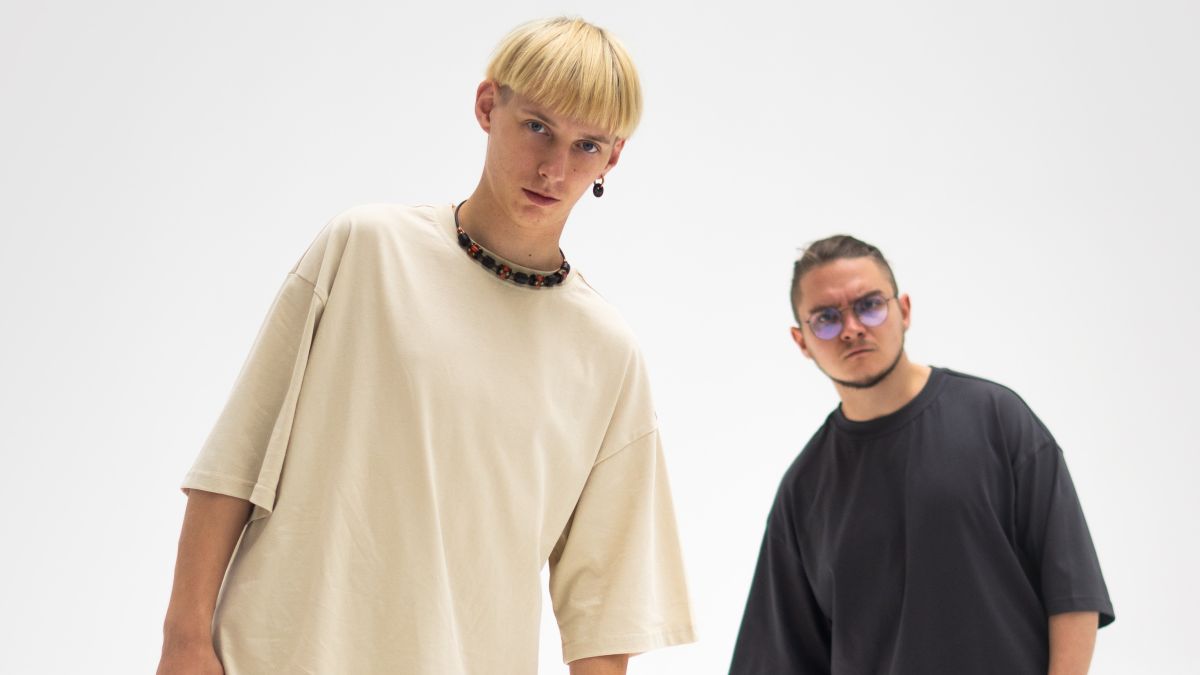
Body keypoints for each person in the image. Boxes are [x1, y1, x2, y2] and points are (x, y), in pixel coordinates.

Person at [157, 17, 695, 675]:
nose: (554, 168)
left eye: (585, 145)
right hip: (275, 655)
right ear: (488, 106)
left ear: (612, 158)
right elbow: (237, 461)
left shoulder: (607, 353)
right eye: (537, 127)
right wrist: (184, 641)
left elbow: (606, 609)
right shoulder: (365, 250)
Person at [728, 236, 1114, 674]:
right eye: (826, 319)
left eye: (869, 306)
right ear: (801, 341)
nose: (852, 328)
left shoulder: (996, 420)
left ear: (904, 310)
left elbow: (1072, 592)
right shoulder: (804, 490)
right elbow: (777, 658)